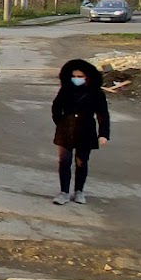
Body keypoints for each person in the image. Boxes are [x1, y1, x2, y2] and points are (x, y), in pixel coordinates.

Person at [51, 58, 109, 204]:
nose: (76, 79)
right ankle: (63, 192)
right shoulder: (65, 90)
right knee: (64, 161)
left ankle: (79, 191)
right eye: (74, 76)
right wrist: (61, 123)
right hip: (66, 131)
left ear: (87, 77)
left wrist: (103, 134)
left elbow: (103, 114)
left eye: (80, 77)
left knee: (81, 162)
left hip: (86, 130)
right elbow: (56, 108)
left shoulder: (97, 93)